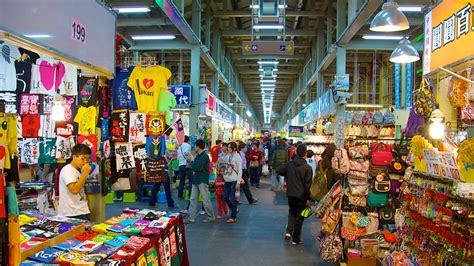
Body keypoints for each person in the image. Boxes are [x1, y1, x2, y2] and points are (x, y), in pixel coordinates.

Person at [276, 144, 312, 245]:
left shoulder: (289, 164)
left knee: (291, 212)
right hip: (301, 195)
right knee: (299, 216)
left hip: (290, 194)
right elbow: (307, 185)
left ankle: (288, 232)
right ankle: (296, 239)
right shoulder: (307, 168)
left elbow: (278, 170)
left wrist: (287, 174)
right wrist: (308, 198)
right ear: (305, 154)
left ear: (296, 152)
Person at [58, 144, 92, 221]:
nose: (85, 162)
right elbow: (74, 190)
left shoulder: (77, 170)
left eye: (87, 159)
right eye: (82, 159)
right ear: (74, 157)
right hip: (72, 213)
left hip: (80, 210)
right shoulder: (68, 170)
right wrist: (85, 173)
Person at [185, 139, 215, 224]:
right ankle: (191, 218)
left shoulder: (204, 156)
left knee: (205, 200)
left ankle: (211, 216)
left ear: (198, 147)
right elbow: (196, 167)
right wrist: (192, 162)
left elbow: (196, 167)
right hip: (196, 180)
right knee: (193, 199)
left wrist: (191, 161)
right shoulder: (198, 156)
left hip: (202, 180)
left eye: (195, 146)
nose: (194, 147)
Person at [221, 142, 242, 224]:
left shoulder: (238, 157)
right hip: (227, 180)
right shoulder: (228, 156)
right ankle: (234, 209)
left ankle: (233, 217)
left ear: (234, 148)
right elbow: (225, 165)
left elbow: (240, 171)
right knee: (225, 197)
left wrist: (238, 182)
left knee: (232, 199)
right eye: (228, 147)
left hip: (234, 180)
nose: (228, 149)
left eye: (229, 147)